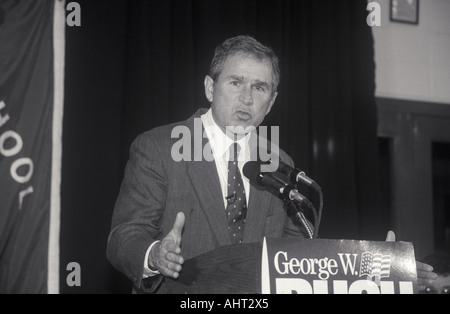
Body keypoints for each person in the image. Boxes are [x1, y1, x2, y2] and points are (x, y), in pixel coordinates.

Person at [106, 35, 437, 294]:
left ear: (272, 101)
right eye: (236, 82)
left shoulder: (279, 163)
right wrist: (154, 255)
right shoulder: (159, 147)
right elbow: (124, 235)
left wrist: (382, 268)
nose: (247, 97)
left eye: (259, 87)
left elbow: (300, 258)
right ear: (210, 88)